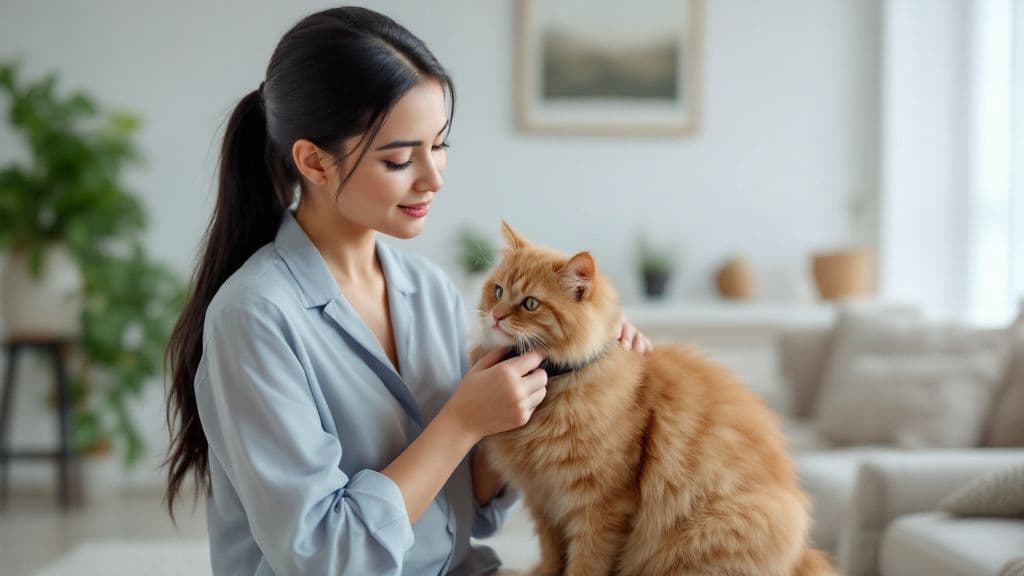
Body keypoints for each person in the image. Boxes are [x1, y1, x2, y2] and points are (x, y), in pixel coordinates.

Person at [164, 7, 651, 575]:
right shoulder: (254, 317)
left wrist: (572, 378)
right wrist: (462, 421)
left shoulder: (428, 290)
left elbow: (464, 512)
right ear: (314, 162)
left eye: (439, 146)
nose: (433, 177)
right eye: (399, 159)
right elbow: (325, 557)